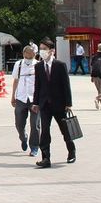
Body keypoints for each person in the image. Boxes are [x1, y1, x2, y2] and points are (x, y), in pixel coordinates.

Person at [32, 38, 76, 168]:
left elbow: (66, 85)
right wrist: (35, 102)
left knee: (65, 130)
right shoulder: (38, 66)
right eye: (41, 49)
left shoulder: (60, 65)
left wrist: (68, 103)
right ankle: (46, 158)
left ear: (52, 51)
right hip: (44, 104)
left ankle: (71, 151)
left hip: (59, 103)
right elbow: (37, 86)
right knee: (45, 131)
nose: (42, 51)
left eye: (45, 49)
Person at [10, 45, 41, 156]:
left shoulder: (38, 65)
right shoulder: (18, 65)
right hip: (21, 98)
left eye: (31, 53)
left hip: (35, 99)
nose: (29, 55)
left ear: (34, 54)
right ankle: (23, 137)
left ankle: (34, 147)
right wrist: (13, 96)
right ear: (23, 54)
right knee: (19, 123)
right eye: (27, 53)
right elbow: (15, 81)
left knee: (35, 124)